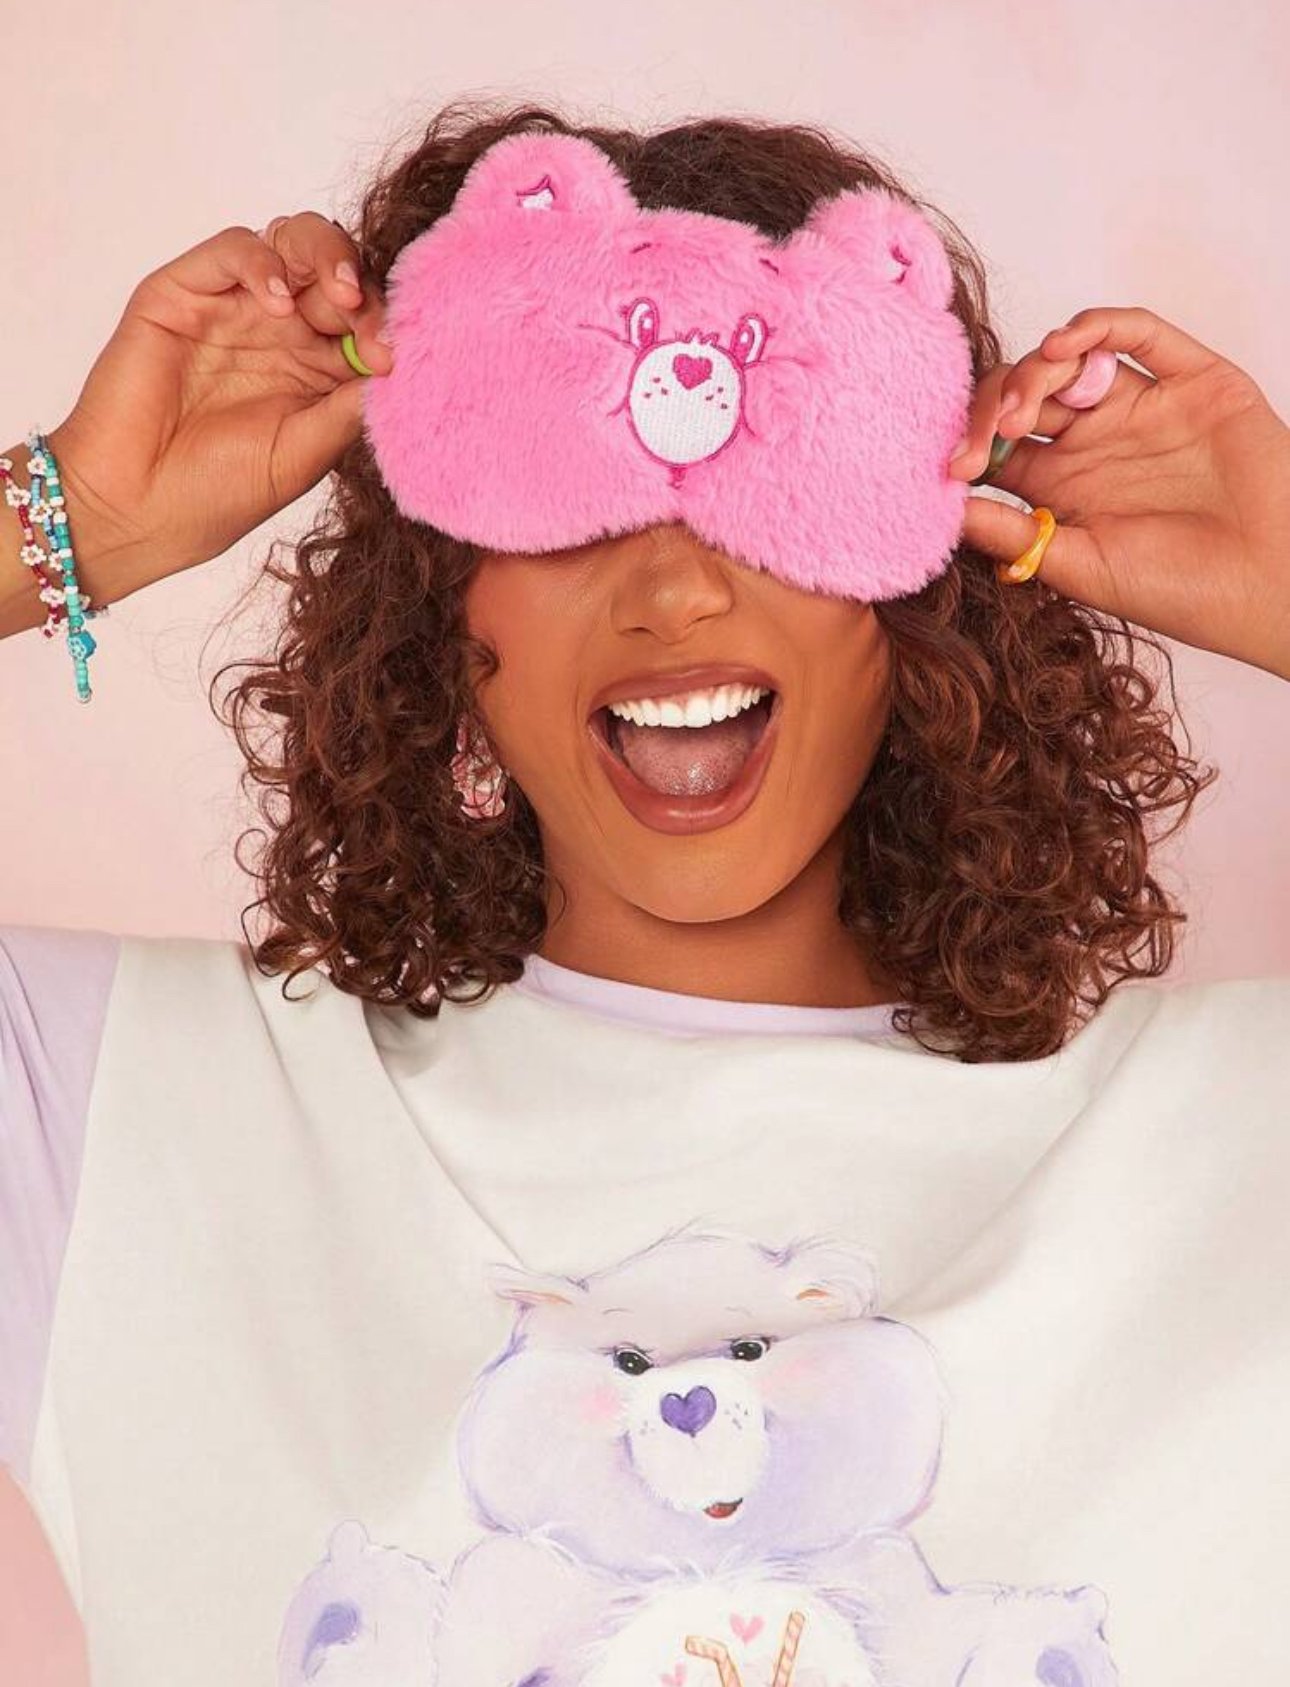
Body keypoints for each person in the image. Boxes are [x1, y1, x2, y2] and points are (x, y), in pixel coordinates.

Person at [1, 100, 1288, 1687]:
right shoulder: (119, 1109)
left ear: (921, 591)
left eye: (770, 495)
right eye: (566, 508)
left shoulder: (1240, 1142)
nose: (673, 590)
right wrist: (69, 520)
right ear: (439, 609)